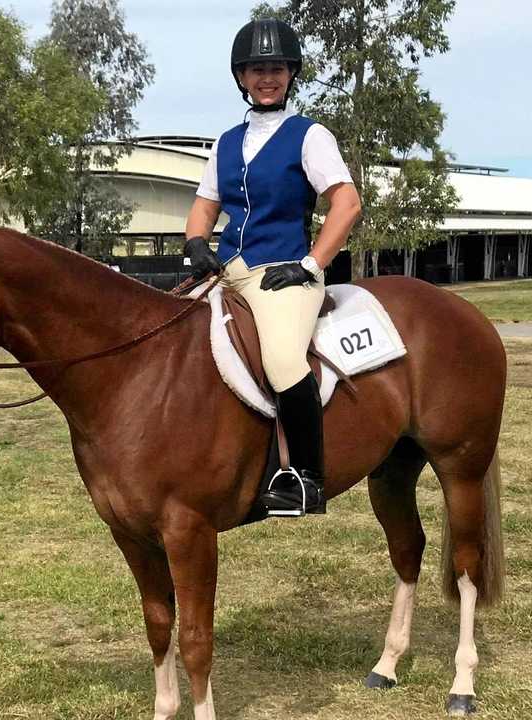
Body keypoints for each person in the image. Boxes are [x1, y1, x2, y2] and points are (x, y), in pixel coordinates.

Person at [184, 18, 362, 517]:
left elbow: (345, 202)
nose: (268, 77)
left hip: (284, 272)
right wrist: (197, 242)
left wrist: (312, 263)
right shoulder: (225, 141)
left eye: (277, 69)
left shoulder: (309, 136)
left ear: (291, 75)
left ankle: (306, 479)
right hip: (229, 271)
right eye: (257, 69)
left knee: (284, 360)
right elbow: (204, 205)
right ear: (241, 77)